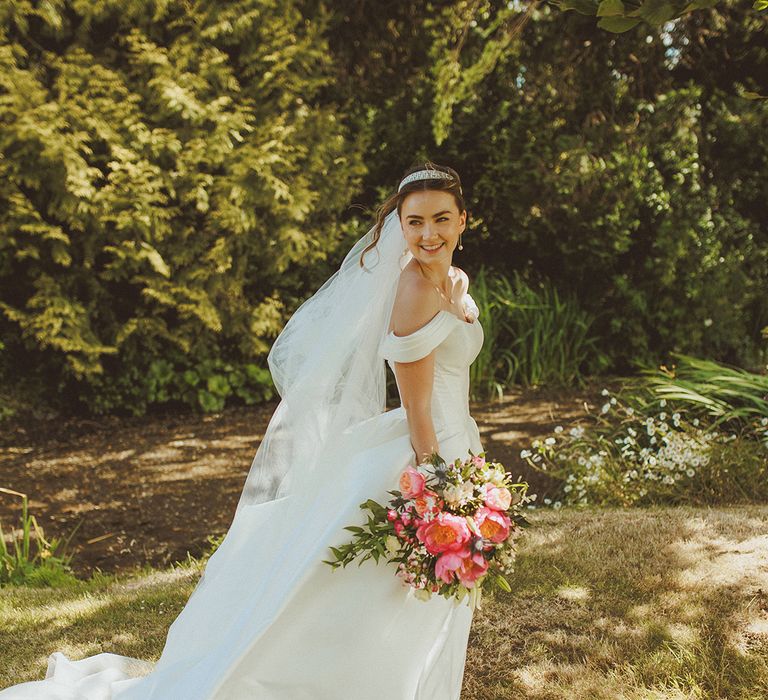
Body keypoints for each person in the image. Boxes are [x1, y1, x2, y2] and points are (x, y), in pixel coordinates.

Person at [0, 160, 485, 699]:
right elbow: (418, 410)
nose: (428, 234)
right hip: (427, 452)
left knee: (399, 586)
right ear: (399, 224)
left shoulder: (454, 281)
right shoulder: (414, 291)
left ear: (463, 221)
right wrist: (441, 486)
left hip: (455, 439)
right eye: (414, 222)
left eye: (441, 220)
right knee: (370, 585)